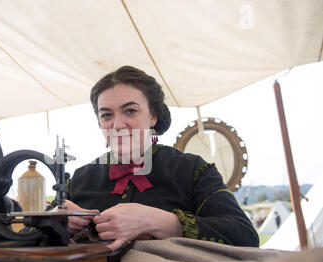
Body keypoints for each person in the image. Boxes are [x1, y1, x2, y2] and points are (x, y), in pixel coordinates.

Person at [62, 66, 259, 251]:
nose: (117, 125)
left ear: (153, 116)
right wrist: (54, 221)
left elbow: (245, 236)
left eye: (130, 111)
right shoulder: (80, 178)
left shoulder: (192, 169)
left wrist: (156, 221)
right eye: (106, 115)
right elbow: (30, 233)